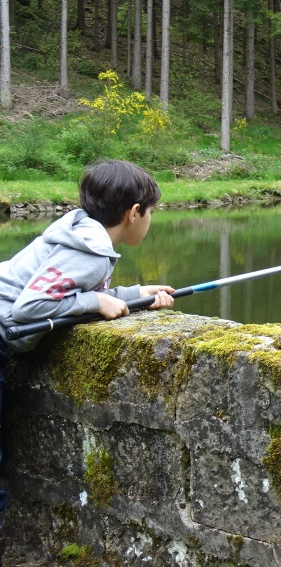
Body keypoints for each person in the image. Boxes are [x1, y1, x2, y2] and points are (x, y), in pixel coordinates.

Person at [0, 160, 176, 563]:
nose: (150, 221)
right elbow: (31, 308)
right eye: (151, 212)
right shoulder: (93, 252)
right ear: (134, 213)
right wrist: (97, 300)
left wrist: (134, 293)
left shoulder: (79, 232)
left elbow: (64, 287)